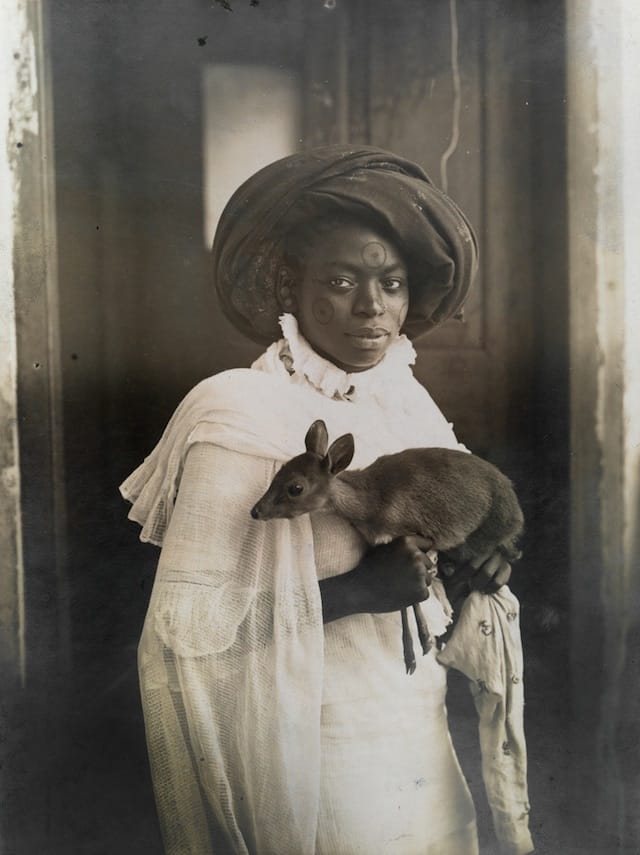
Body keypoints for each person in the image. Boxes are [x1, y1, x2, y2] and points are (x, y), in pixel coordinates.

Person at [121, 145, 534, 855]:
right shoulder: (236, 411)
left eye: (394, 283)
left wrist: (477, 565)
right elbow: (185, 633)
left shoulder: (409, 402)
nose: (373, 307)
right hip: (316, 754)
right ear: (290, 282)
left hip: (421, 737)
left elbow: (450, 534)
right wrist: (352, 593)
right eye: (343, 279)